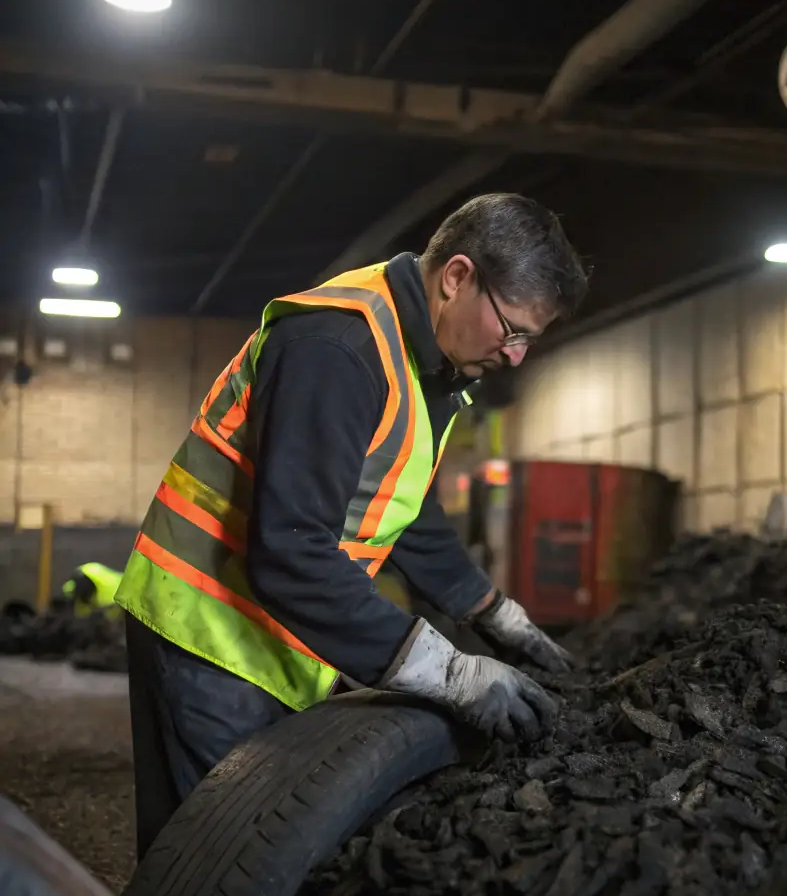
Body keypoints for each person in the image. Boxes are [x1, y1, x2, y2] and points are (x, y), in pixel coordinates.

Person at [117, 192, 589, 856]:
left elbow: (402, 502)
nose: (516, 356)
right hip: (207, 634)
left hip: (275, 640)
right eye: (513, 331)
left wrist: (492, 611)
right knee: (208, 872)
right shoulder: (338, 347)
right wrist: (450, 673)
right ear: (456, 277)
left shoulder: (429, 363)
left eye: (529, 342)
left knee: (262, 853)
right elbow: (290, 552)